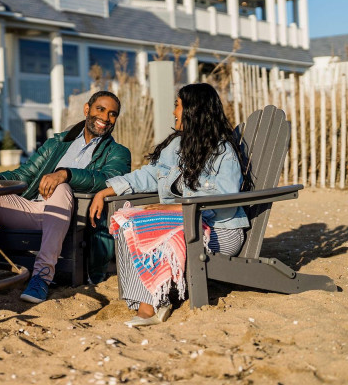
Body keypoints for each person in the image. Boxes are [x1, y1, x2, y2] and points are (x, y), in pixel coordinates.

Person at [89, 83, 248, 326]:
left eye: (177, 105)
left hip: (221, 231)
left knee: (164, 235)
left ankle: (150, 306)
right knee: (127, 220)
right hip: (185, 222)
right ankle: (146, 297)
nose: (174, 112)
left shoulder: (223, 152)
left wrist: (177, 208)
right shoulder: (176, 145)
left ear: (193, 110)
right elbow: (150, 175)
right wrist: (106, 190)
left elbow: (226, 197)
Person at [0, 91, 131, 304]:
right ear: (87, 109)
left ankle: (41, 277)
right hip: (33, 210)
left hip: (71, 217)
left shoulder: (118, 152)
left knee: (62, 187)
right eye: (100, 109)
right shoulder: (57, 143)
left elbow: (109, 179)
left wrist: (66, 174)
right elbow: (25, 174)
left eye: (112, 114)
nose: (106, 117)